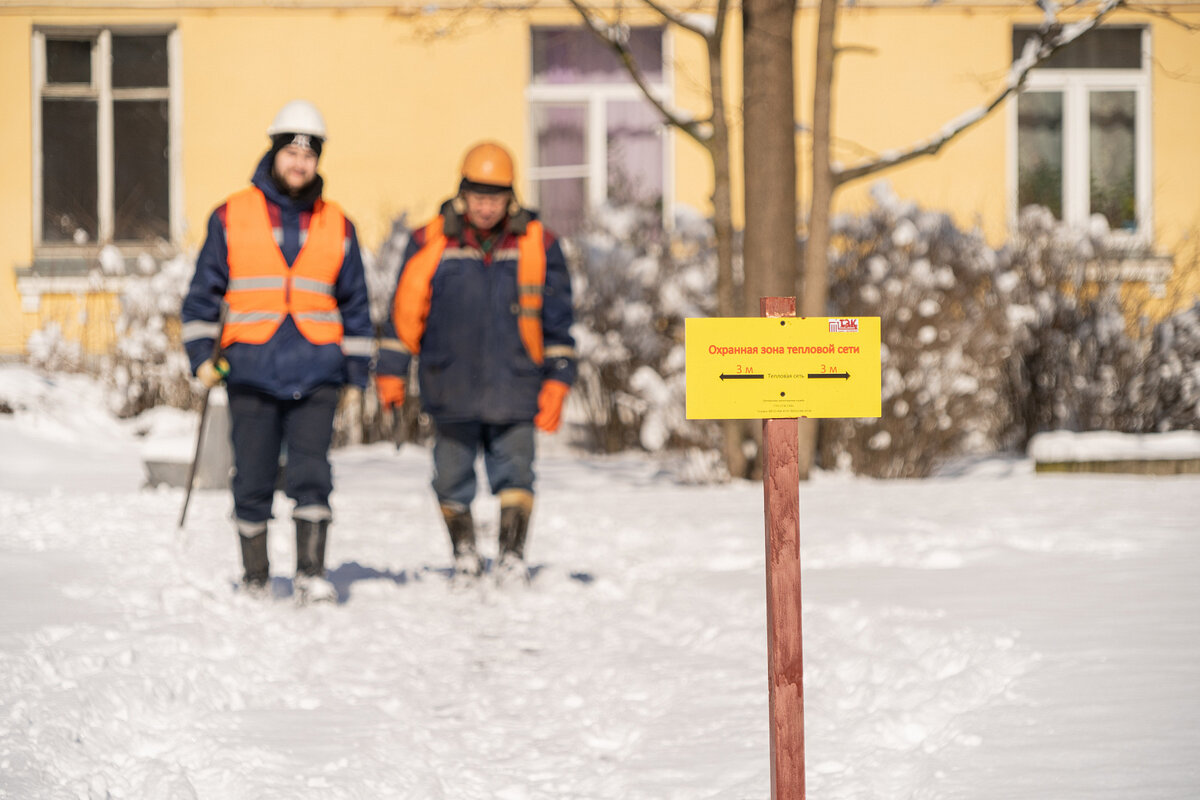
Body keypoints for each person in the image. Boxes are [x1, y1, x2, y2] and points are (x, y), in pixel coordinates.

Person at [181, 100, 372, 604]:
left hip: (317, 370)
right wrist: (201, 354)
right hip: (250, 367)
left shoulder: (338, 224)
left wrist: (355, 374)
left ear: (318, 161)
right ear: (274, 153)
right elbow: (203, 293)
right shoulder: (230, 215)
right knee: (253, 475)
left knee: (313, 475)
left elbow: (356, 303)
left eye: (309, 155)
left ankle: (311, 574)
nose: (299, 164)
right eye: (291, 152)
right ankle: (256, 578)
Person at [376, 141, 576, 584]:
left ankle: (511, 556)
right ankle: (464, 553)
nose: (487, 208)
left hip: (517, 385)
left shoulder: (539, 244)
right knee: (450, 477)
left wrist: (559, 379)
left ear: (511, 197)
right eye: (479, 197)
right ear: (462, 193)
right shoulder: (428, 242)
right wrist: (390, 372)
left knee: (517, 474)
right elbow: (404, 314)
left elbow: (559, 322)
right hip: (450, 386)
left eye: (496, 198)